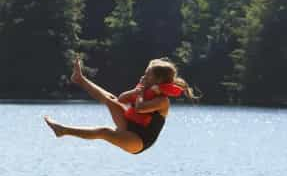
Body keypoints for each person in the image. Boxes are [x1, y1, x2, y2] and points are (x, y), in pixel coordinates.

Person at [45, 57, 197, 154]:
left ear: (157, 79)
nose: (143, 76)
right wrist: (136, 90)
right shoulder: (145, 89)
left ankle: (63, 130)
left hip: (139, 141)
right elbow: (121, 99)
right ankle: (80, 79)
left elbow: (139, 108)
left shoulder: (162, 101)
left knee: (104, 132)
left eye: (148, 74)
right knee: (111, 99)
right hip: (129, 125)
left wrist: (141, 92)